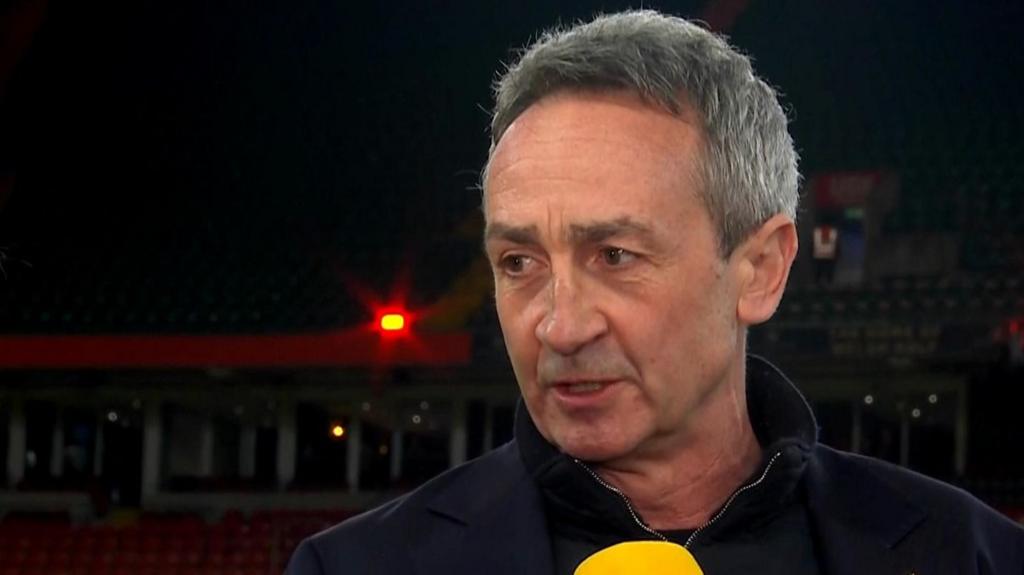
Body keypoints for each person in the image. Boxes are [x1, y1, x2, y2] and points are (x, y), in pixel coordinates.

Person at [287, 10, 1024, 574]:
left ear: (761, 268)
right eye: (519, 262)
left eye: (615, 255)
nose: (559, 327)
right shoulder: (352, 567)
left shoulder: (973, 555)